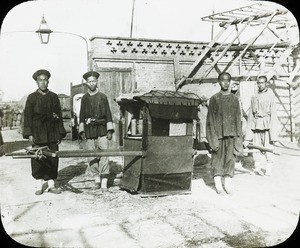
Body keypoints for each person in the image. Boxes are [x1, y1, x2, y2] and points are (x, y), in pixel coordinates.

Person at [23, 69, 66, 195]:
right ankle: (38, 185)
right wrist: (29, 133)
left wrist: (59, 132)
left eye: (45, 80)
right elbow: (27, 117)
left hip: (52, 132)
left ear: (48, 82)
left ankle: (52, 185)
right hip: (37, 132)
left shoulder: (53, 97)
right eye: (40, 80)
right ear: (37, 82)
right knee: (38, 157)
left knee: (52, 158)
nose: (43, 82)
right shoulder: (31, 98)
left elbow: (59, 116)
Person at [206, 72, 243, 194]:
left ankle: (228, 185)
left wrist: (238, 137)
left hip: (231, 135)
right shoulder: (214, 99)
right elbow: (210, 120)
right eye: (223, 80)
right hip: (218, 136)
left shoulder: (234, 99)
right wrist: (213, 139)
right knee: (217, 160)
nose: (225, 82)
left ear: (230, 82)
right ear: (219, 82)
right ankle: (218, 185)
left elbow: (238, 118)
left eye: (228, 80)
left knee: (230, 160)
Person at [78, 70, 114, 191]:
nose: (92, 83)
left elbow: (108, 114)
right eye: (89, 81)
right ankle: (96, 180)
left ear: (97, 82)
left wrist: (109, 130)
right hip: (89, 130)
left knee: (103, 154)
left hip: (102, 129)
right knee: (92, 155)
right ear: (86, 83)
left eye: (94, 81)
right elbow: (81, 115)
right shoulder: (84, 98)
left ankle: (104, 181)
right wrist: (82, 131)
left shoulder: (103, 97)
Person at [243, 75, 279, 176]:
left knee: (268, 147)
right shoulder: (254, 96)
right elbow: (251, 115)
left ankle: (269, 168)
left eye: (262, 83)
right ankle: (257, 168)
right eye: (259, 83)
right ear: (257, 84)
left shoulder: (271, 96)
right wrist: (248, 136)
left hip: (267, 125)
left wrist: (274, 134)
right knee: (256, 148)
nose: (260, 85)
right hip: (256, 125)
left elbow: (273, 114)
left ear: (266, 83)